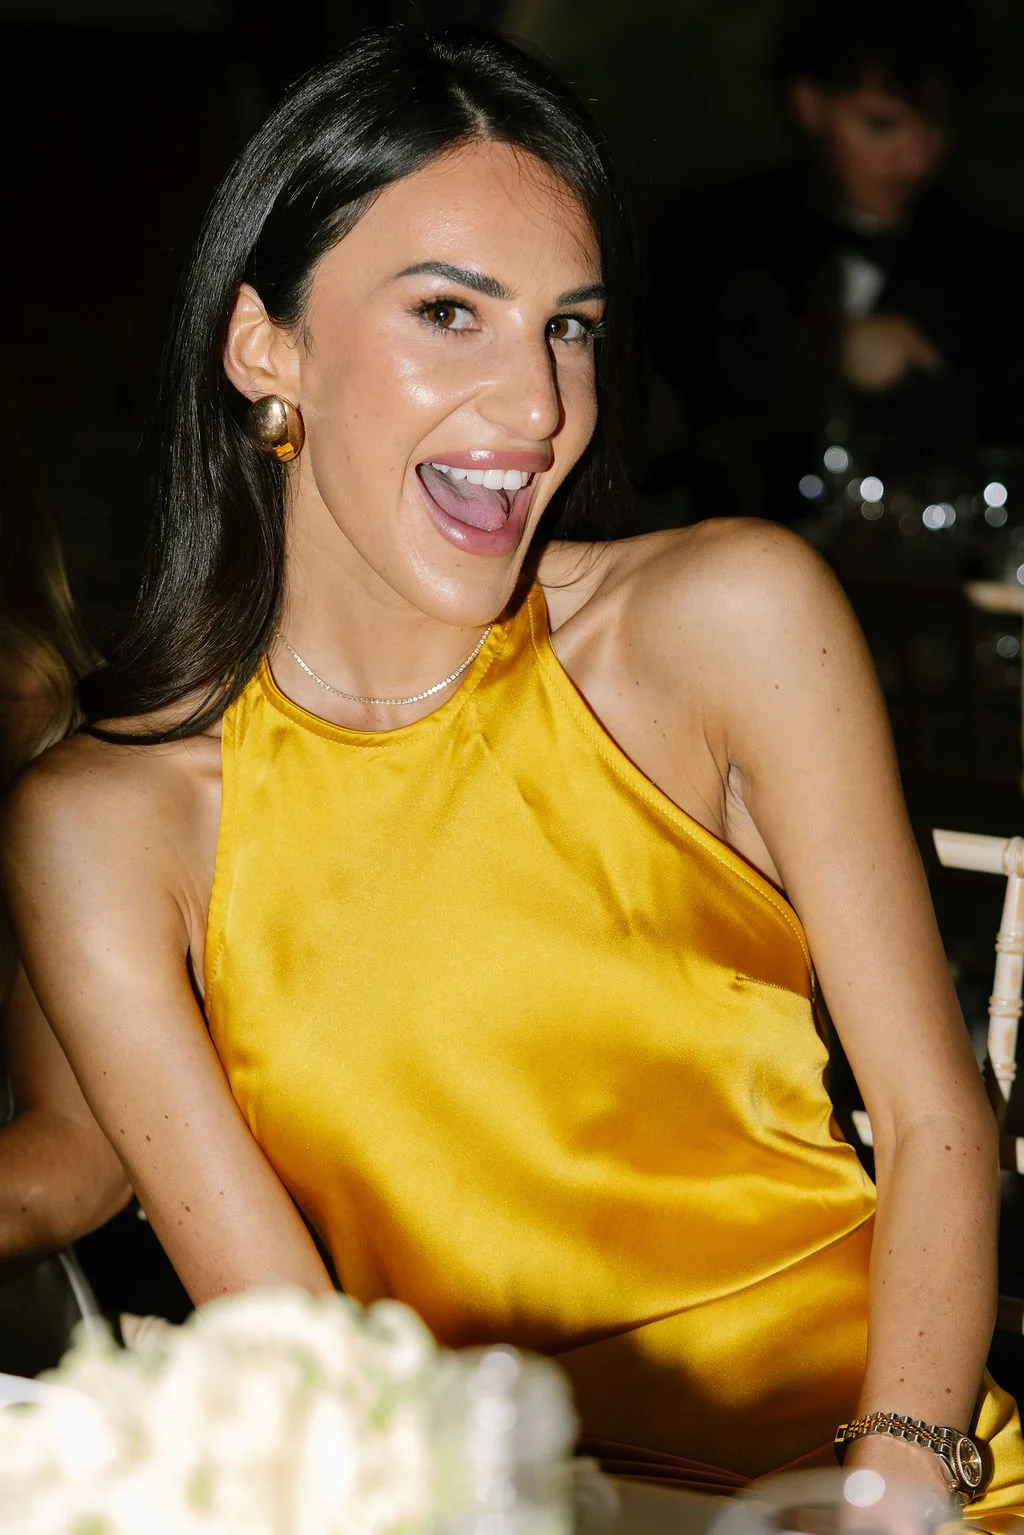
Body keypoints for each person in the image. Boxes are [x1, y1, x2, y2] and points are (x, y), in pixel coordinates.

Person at [2, 24, 1022, 1521]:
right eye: (449, 313)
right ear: (261, 346)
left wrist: (893, 1491)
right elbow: (306, 1361)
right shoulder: (107, 823)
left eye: (572, 326)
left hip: (869, 1476)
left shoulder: (724, 618)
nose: (540, 406)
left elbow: (940, 1120)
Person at [646, 0, 1023, 524]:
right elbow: (659, 417)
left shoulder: (992, 260)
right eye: (881, 125)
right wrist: (822, 348)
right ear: (810, 106)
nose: (916, 158)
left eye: (935, 127)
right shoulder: (709, 232)